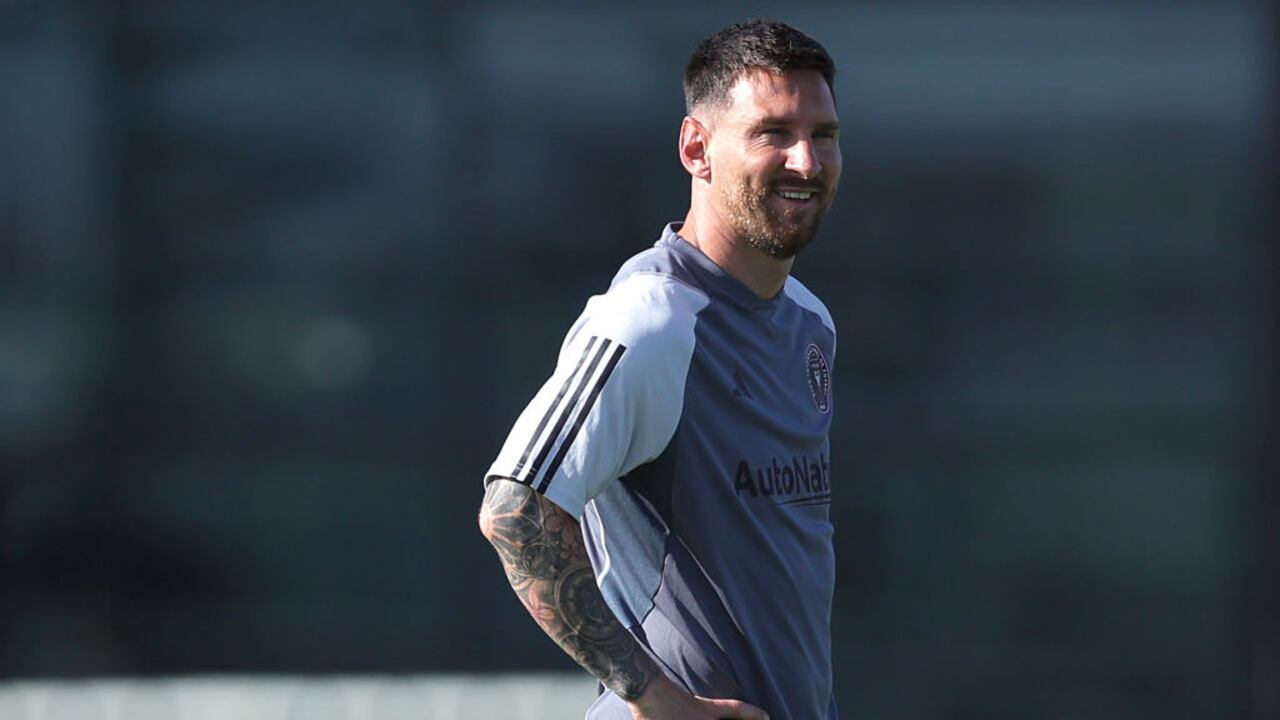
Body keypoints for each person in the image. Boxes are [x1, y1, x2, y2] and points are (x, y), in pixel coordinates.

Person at [478, 18, 842, 720]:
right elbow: (514, 507)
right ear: (697, 148)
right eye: (773, 133)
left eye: (823, 135)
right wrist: (659, 700)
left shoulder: (810, 321)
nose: (806, 162)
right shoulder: (650, 320)